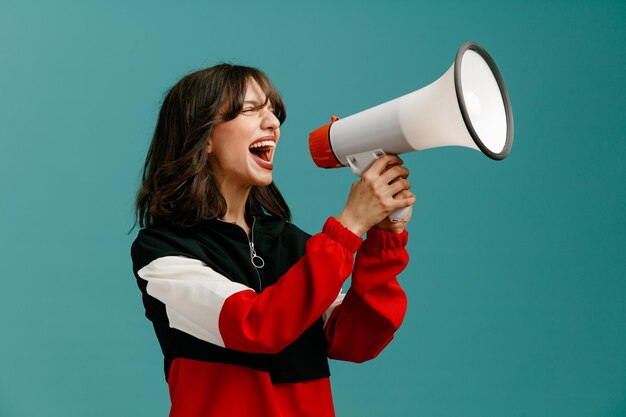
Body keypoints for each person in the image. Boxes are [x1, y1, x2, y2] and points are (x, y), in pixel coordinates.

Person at [131, 64, 416, 417]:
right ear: (203, 137)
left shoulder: (293, 245)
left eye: (273, 111)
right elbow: (255, 325)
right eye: (251, 110)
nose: (273, 123)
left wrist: (383, 239)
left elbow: (358, 338)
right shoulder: (163, 252)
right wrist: (351, 226)